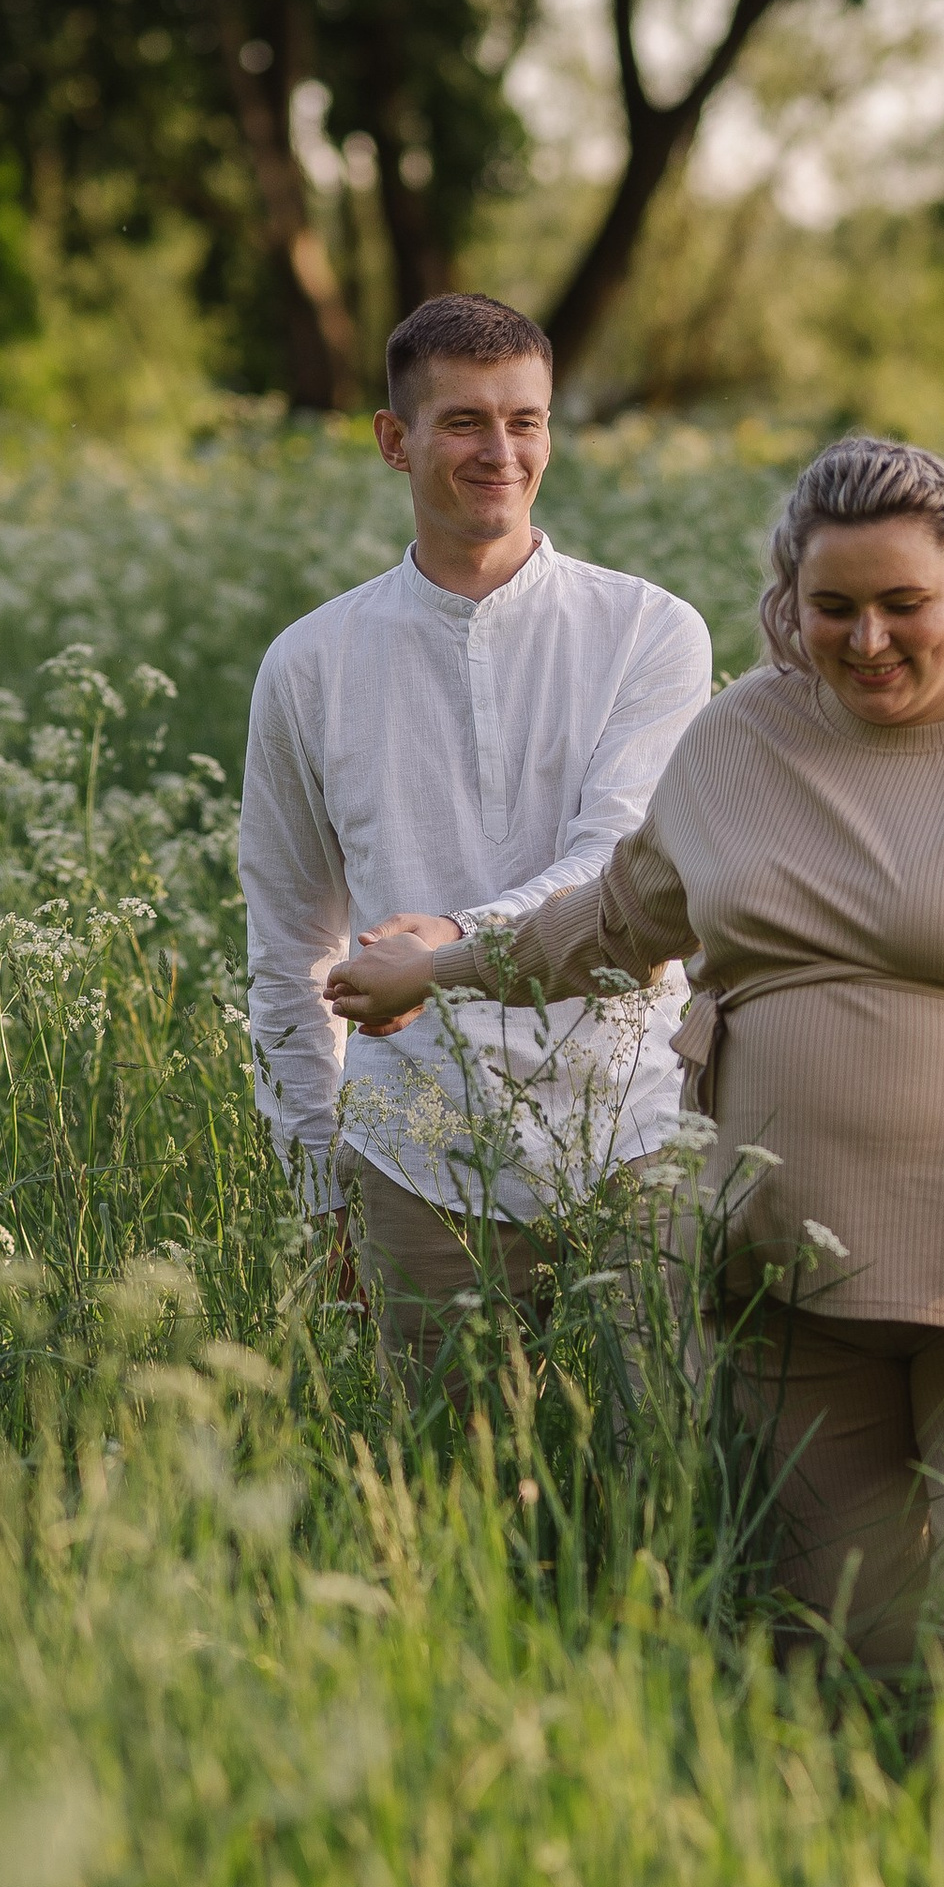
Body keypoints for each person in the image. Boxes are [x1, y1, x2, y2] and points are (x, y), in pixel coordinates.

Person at [323, 434, 944, 1669]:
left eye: (904, 604)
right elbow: (612, 925)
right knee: (834, 1657)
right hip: (787, 1294)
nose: (868, 640)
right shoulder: (736, 745)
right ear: (789, 600)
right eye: (833, 608)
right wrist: (440, 965)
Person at [238, 291, 713, 1352]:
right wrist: (321, 1189)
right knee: (451, 1457)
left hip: (633, 1127)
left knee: (664, 1442)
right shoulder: (309, 665)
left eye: (524, 421)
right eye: (464, 422)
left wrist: (447, 944)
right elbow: (289, 944)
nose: (501, 452)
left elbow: (619, 872)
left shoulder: (651, 631)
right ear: (394, 441)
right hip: (417, 1152)